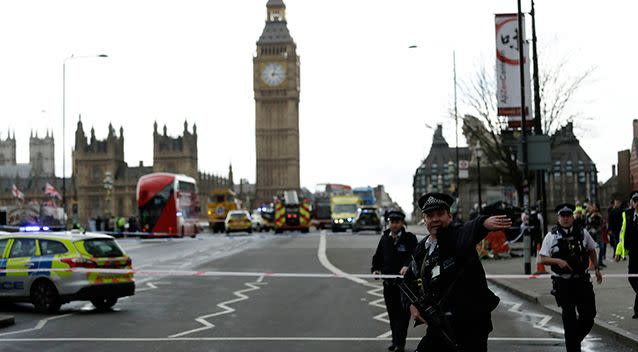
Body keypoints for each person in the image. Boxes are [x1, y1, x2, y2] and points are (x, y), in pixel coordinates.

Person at [403, 192, 511, 352]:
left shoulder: (457, 237)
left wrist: (483, 223)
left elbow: (468, 230)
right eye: (430, 215)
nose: (435, 219)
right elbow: (407, 282)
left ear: (449, 216)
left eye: (440, 214)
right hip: (439, 323)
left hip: (471, 325)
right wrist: (411, 305)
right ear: (424, 219)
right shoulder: (421, 249)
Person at [539, 203, 603, 352]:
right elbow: (542, 259)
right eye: (563, 216)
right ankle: (573, 347)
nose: (566, 219)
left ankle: (573, 342)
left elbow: (592, 249)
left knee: (589, 316)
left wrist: (597, 268)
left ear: (573, 217)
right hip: (563, 283)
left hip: (582, 280)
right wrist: (558, 261)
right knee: (569, 321)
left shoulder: (582, 233)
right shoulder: (552, 236)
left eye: (569, 216)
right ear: (558, 217)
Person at [371, 210, 417, 352]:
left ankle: (400, 343)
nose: (394, 225)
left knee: (403, 315)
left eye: (397, 222)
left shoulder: (409, 238)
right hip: (389, 284)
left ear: (402, 223)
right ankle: (395, 341)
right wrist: (376, 269)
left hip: (404, 286)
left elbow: (415, 255)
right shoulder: (385, 238)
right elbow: (378, 256)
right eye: (391, 222)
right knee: (392, 313)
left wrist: (407, 265)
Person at [614, 191, 638, 319]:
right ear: (632, 203)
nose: (637, 203)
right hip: (633, 252)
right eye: (635, 201)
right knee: (632, 278)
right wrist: (618, 252)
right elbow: (622, 234)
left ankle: (637, 310)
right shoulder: (627, 215)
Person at [586, 202, 605, 268]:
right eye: (593, 206)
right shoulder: (589, 214)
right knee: (593, 250)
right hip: (592, 234)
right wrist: (591, 217)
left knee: (601, 248)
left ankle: (600, 262)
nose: (593, 208)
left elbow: (602, 224)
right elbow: (587, 223)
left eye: (595, 207)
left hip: (599, 234)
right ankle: (593, 264)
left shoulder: (599, 214)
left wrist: (600, 217)